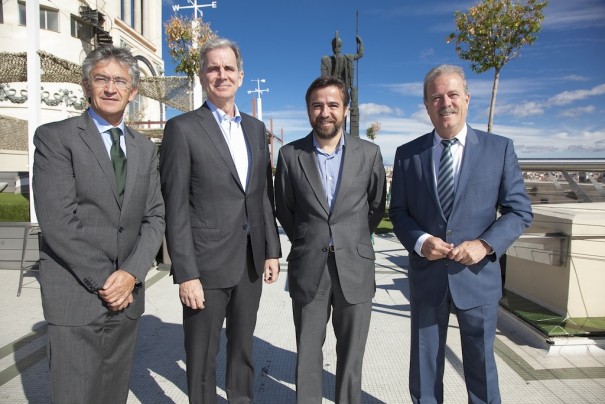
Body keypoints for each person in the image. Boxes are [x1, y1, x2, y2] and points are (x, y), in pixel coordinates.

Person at [389, 64, 532, 404]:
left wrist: (485, 245)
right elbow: (398, 213)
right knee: (424, 369)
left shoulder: (499, 149)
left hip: (478, 278)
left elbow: (519, 211)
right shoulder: (407, 155)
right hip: (428, 279)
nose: (445, 103)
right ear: (426, 105)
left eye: (452, 95)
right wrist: (422, 242)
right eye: (436, 97)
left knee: (481, 369)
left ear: (467, 99)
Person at [32, 46, 165, 403]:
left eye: (120, 80)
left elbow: (155, 217)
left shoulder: (145, 149)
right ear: (86, 86)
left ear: (133, 92)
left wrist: (131, 274)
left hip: (128, 296)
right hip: (76, 294)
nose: (110, 88)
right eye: (101, 79)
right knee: (75, 394)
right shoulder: (55, 138)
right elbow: (58, 220)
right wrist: (108, 282)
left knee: (112, 394)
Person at [159, 37, 281, 404]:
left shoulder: (257, 131)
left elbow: (261, 196)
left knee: (243, 350)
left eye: (229, 68)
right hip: (205, 268)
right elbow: (175, 206)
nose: (221, 75)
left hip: (250, 263)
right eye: (213, 68)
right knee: (201, 358)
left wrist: (272, 250)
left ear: (241, 76)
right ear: (202, 76)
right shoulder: (182, 129)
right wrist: (186, 272)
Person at [275, 76, 386, 403]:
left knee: (351, 357)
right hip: (309, 268)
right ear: (309, 110)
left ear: (346, 109)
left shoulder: (370, 153)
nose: (325, 112)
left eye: (333, 105)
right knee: (307, 353)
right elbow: (285, 209)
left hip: (355, 267)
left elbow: (377, 206)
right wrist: (312, 239)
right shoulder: (289, 155)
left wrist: (351, 238)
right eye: (317, 105)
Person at [321, 32, 363, 137]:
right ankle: (339, 135)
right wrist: (360, 43)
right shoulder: (343, 58)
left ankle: (342, 136)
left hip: (337, 90)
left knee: (339, 111)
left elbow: (360, 55)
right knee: (339, 112)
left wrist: (360, 43)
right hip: (339, 90)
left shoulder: (332, 59)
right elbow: (360, 54)